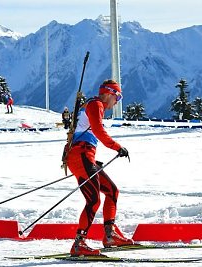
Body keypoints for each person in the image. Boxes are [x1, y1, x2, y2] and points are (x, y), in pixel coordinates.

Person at [64, 79, 133, 256]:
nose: (116, 102)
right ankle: (79, 244)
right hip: (81, 155)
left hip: (85, 156)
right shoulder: (96, 104)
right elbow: (98, 131)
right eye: (117, 97)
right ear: (110, 93)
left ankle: (110, 235)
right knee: (93, 200)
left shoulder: (93, 104)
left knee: (112, 191)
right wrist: (118, 147)